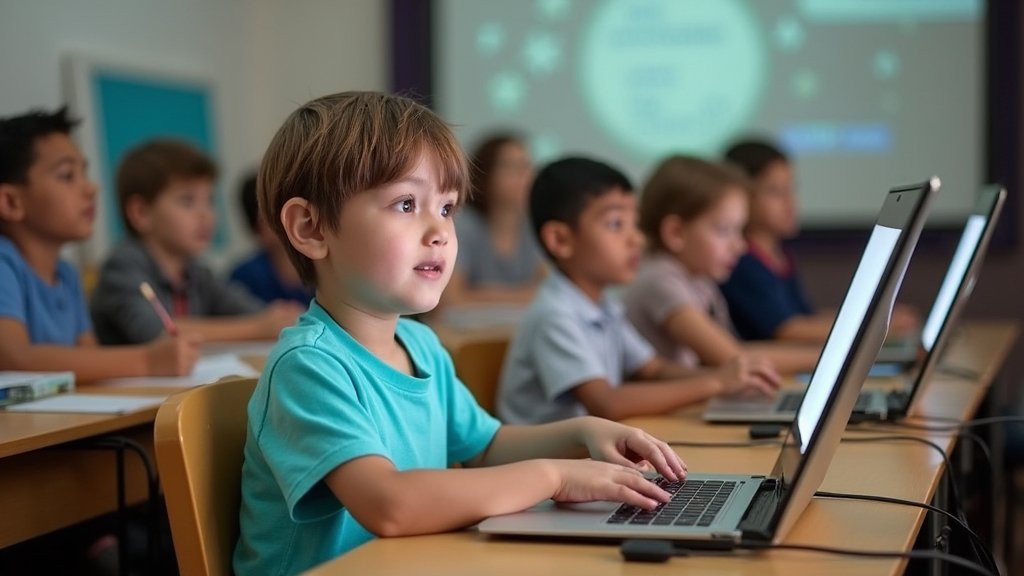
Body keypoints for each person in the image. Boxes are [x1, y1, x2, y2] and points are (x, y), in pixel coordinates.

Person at [233, 91, 687, 575]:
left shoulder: (421, 346)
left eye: (447, 209)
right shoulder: (308, 367)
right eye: (406, 204)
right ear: (311, 227)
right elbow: (390, 505)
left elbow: (485, 446)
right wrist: (553, 476)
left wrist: (582, 432)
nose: (440, 232)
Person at [496, 157, 779, 426]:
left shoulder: (604, 305)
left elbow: (653, 369)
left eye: (635, 224)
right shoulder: (554, 315)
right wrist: (715, 383)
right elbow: (606, 403)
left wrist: (727, 379)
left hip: (585, 457)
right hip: (544, 466)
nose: (636, 239)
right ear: (561, 239)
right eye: (616, 224)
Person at [0, 107, 199, 380]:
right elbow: (13, 358)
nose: (91, 188)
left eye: (85, 173)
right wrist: (147, 361)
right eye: (67, 175)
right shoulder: (4, 264)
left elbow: (89, 357)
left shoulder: (67, 274)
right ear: (11, 202)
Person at [90, 139, 303, 345]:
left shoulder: (196, 273)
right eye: (187, 201)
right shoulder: (123, 267)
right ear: (141, 213)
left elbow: (254, 312)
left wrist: (279, 317)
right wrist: (258, 328)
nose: (205, 214)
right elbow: (159, 331)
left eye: (209, 200)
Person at [623, 155, 821, 375]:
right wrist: (825, 358)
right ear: (675, 232)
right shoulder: (659, 281)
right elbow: (734, 359)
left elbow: (735, 352)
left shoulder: (699, 280)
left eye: (740, 230)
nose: (740, 246)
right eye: (724, 230)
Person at [720, 139, 916, 342]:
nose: (790, 202)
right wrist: (874, 325)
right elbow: (789, 329)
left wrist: (873, 315)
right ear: (743, 197)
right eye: (775, 192)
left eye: (791, 189)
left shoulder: (780, 256)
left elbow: (805, 318)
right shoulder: (740, 260)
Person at [443, 132, 544, 305]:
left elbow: (546, 292)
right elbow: (450, 299)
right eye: (512, 167)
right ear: (486, 175)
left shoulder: (533, 226)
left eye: (526, 166)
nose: (524, 176)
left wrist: (481, 294)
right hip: (464, 331)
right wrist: (521, 295)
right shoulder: (463, 224)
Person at [228, 170, 313, 305]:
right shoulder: (245, 276)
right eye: (273, 215)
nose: (288, 221)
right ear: (256, 229)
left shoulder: (323, 265)